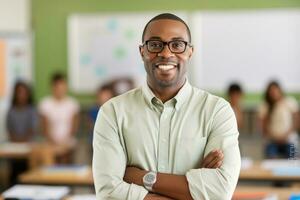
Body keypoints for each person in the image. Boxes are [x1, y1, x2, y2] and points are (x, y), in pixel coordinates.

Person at [93, 13, 241, 200]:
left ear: (190, 52)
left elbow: (220, 192)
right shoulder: (112, 112)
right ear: (142, 52)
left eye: (177, 45)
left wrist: (139, 177)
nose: (165, 53)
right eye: (155, 45)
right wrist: (191, 190)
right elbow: (109, 193)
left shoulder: (217, 111)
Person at [38, 73, 80, 163]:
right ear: (52, 87)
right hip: (50, 142)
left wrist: (64, 142)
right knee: (45, 153)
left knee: (66, 152)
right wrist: (53, 142)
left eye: (62, 86)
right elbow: (44, 128)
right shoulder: (45, 103)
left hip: (68, 141)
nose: (60, 89)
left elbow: (74, 128)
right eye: (57, 87)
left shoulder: (72, 103)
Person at [6, 80, 38, 185]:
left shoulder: (32, 110)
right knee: (14, 171)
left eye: (24, 92)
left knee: (27, 169)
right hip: (14, 147)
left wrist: (23, 140)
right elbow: (9, 130)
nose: (21, 95)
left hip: (29, 148)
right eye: (19, 92)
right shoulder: (11, 111)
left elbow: (32, 130)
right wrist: (16, 140)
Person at [258, 81, 299, 159]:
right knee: (271, 159)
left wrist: (286, 135)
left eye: (275, 90)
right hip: (272, 140)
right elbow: (263, 125)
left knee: (293, 159)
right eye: (271, 91)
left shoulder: (289, 101)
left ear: (280, 90)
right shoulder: (265, 105)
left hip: (289, 139)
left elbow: (296, 121)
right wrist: (274, 137)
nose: (273, 93)